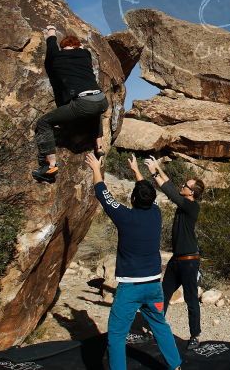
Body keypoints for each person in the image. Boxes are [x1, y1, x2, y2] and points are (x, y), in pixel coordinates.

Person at [85, 152, 182, 370]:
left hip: (130, 288)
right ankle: (175, 366)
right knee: (160, 326)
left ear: (133, 199)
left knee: (117, 336)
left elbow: (103, 194)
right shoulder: (156, 214)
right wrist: (137, 172)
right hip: (154, 286)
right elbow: (146, 194)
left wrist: (95, 169)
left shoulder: (125, 217)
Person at [136, 155, 205, 351]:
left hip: (190, 261)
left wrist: (156, 171)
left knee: (191, 300)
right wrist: (156, 169)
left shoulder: (192, 206)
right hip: (177, 260)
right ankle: (153, 330)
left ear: (192, 193)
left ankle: (195, 335)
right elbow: (170, 188)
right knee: (163, 295)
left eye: (186, 185)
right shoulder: (184, 203)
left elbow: (172, 192)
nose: (183, 185)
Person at [32, 24, 108, 183]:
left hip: (84, 103)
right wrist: (78, 45)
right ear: (77, 46)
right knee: (94, 112)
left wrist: (51, 31)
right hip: (101, 100)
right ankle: (99, 147)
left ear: (63, 47)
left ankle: (49, 165)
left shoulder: (57, 57)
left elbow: (51, 45)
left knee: (43, 122)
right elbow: (82, 47)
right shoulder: (85, 54)